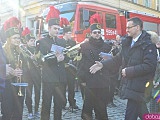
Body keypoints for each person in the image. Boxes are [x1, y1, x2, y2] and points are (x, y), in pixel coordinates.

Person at [90, 17, 157, 120]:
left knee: (130, 115)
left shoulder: (148, 45)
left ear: (137, 27)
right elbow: (118, 59)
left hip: (140, 86)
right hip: (130, 85)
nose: (126, 30)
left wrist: (128, 71)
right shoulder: (127, 43)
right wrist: (103, 64)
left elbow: (150, 66)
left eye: (129, 27)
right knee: (142, 113)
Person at [78, 13, 112, 120]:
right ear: (91, 33)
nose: (97, 34)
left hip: (103, 81)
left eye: (99, 32)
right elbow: (81, 64)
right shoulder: (84, 46)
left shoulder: (107, 46)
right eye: (94, 32)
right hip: (90, 80)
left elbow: (111, 63)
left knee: (102, 108)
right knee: (88, 107)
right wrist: (82, 79)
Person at [38, 6, 67, 120]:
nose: (57, 31)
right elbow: (41, 60)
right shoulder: (42, 42)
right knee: (46, 104)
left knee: (58, 105)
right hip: (49, 78)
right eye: (55, 28)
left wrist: (66, 57)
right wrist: (56, 59)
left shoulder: (62, 41)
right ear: (49, 28)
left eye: (58, 29)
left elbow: (67, 58)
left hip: (60, 78)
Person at [1, 16, 27, 120]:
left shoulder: (21, 51)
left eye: (18, 38)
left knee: (18, 113)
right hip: (7, 87)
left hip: (19, 87)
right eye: (15, 38)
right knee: (7, 113)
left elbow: (28, 68)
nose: (17, 40)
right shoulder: (2, 50)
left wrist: (22, 71)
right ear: (9, 39)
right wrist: (11, 72)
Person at [21, 27, 42, 119]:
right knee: (28, 94)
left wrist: (37, 58)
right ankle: (30, 111)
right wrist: (29, 58)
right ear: (27, 42)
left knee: (37, 93)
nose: (33, 42)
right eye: (31, 41)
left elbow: (42, 61)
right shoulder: (23, 51)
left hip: (37, 74)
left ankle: (36, 110)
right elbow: (22, 63)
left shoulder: (38, 50)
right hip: (28, 75)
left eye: (33, 40)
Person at [61, 23, 79, 109]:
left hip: (71, 67)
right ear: (64, 34)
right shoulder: (60, 42)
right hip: (63, 67)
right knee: (63, 87)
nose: (70, 35)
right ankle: (63, 103)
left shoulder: (73, 42)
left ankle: (72, 103)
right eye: (68, 33)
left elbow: (75, 53)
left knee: (72, 86)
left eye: (70, 33)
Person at [147, 31, 160, 113]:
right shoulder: (150, 52)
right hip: (151, 85)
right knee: (152, 107)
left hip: (157, 85)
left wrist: (158, 81)